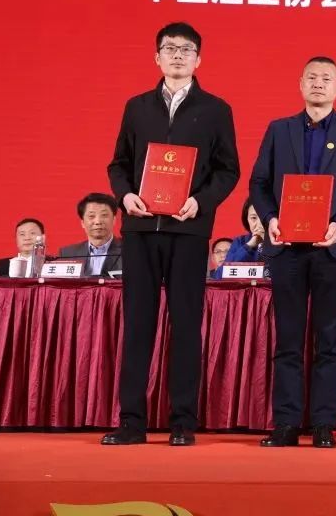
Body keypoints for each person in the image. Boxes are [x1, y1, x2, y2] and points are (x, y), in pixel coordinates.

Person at [103, 22, 240, 447]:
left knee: (185, 326)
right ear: (156, 57)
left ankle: (183, 422)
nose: (177, 55)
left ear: (199, 59)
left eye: (186, 49)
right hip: (141, 229)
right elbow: (118, 164)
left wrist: (200, 201)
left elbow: (228, 170)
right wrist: (125, 196)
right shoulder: (137, 107)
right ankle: (131, 422)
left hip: (189, 231)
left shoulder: (216, 109)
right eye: (169, 48)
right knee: (138, 326)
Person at [249, 56, 336, 449]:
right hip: (286, 248)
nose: (318, 83)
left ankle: (323, 423)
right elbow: (259, 182)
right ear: (300, 83)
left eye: (326, 78)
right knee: (288, 339)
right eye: (311, 77)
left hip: (333, 248)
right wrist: (270, 217)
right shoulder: (279, 129)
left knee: (329, 339)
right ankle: (286, 423)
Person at [59, 193, 123, 276]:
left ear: (114, 220)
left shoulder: (129, 251)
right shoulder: (68, 254)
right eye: (91, 216)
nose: (98, 222)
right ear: (82, 223)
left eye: (104, 215)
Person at [213, 200, 267, 279]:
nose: (259, 224)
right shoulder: (240, 242)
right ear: (246, 219)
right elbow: (219, 275)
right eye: (253, 218)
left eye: (264, 217)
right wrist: (249, 246)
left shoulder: (282, 242)